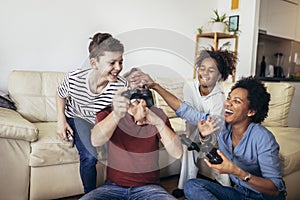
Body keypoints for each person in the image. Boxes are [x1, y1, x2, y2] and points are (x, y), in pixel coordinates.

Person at [133, 75, 286, 199]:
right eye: (229, 99)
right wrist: (156, 86)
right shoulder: (220, 125)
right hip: (239, 193)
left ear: (251, 111)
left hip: (262, 197)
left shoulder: (263, 138)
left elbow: (275, 190)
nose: (228, 104)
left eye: (236, 102)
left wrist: (237, 172)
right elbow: (186, 111)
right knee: (192, 186)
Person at [80, 68, 183, 200]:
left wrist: (158, 122)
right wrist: (117, 114)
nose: (139, 87)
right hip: (112, 187)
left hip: (149, 189)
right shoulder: (109, 113)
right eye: (134, 82)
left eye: (143, 84)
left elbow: (178, 153)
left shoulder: (157, 114)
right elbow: (95, 141)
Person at [56, 32, 127, 193]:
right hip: (78, 117)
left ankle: (119, 189)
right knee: (90, 157)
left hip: (102, 119)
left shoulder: (121, 85)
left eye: (121, 62)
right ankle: (90, 195)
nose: (118, 68)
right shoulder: (75, 78)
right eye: (112, 63)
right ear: (94, 63)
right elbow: (60, 94)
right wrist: (61, 120)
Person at [172, 48, 237, 197]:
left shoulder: (219, 98)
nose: (205, 73)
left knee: (213, 150)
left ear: (220, 75)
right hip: (197, 128)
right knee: (187, 142)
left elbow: (214, 127)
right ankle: (185, 185)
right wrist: (189, 132)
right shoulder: (190, 87)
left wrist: (202, 136)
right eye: (202, 68)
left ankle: (226, 187)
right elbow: (188, 112)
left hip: (216, 132)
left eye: (211, 70)